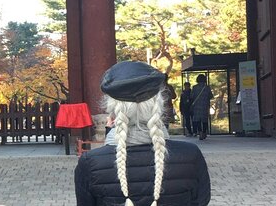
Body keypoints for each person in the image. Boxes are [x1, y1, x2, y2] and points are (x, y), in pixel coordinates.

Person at [75, 61, 211, 206]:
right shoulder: (190, 155)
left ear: (112, 109)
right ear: (158, 105)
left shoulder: (91, 162)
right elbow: (201, 200)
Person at [191, 74, 213, 140]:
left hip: (197, 106)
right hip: (205, 106)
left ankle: (200, 132)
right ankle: (204, 132)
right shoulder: (207, 87)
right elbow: (211, 96)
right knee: (204, 120)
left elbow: (191, 96)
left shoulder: (194, 87)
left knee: (197, 120)